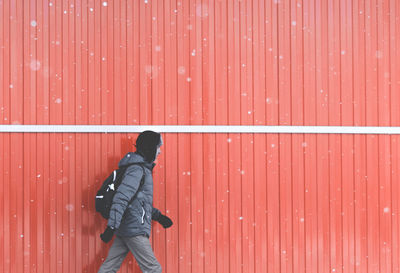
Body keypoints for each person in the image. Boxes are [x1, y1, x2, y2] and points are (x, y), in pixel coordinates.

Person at [98, 130, 173, 273]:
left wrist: (158, 216)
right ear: (150, 148)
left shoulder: (140, 169)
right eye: (158, 147)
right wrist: (111, 226)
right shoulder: (137, 170)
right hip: (134, 228)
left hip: (126, 227)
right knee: (153, 269)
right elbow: (122, 197)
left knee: (109, 268)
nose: (160, 152)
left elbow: (140, 203)